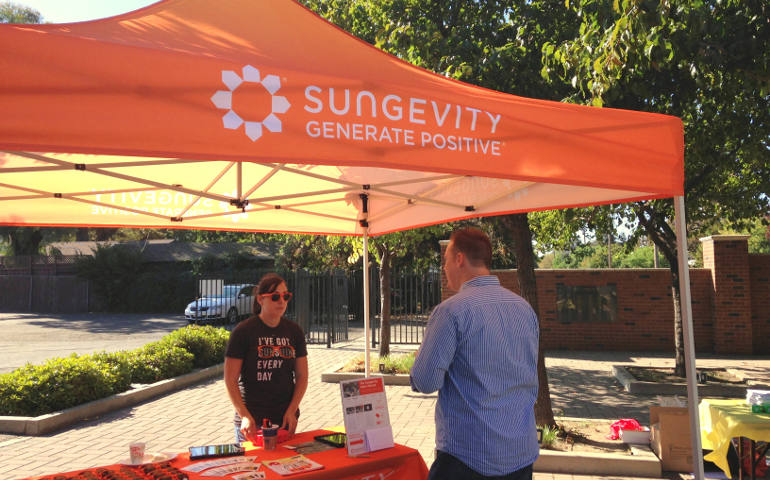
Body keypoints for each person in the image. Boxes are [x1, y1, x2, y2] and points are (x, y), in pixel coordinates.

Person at [410, 227, 540, 480]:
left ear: (459, 259)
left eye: (445, 260)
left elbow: (425, 382)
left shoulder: (450, 312)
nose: (444, 267)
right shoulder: (524, 309)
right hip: (520, 454)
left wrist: (420, 358)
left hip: (467, 458)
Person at [224, 273, 308, 444]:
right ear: (261, 300)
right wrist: (245, 416)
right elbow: (230, 379)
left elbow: (302, 376)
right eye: (275, 296)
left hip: (284, 418)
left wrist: (292, 411)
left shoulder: (294, 331)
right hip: (253, 421)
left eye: (286, 296)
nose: (282, 301)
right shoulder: (243, 332)